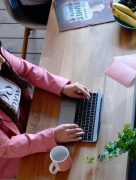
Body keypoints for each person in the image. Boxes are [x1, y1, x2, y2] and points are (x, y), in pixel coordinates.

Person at [0, 41, 90, 178]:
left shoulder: (1, 57)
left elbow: (28, 70)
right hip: (14, 156)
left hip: (32, 120)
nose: (2, 59)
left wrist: (61, 87)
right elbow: (6, 147)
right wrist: (52, 136)